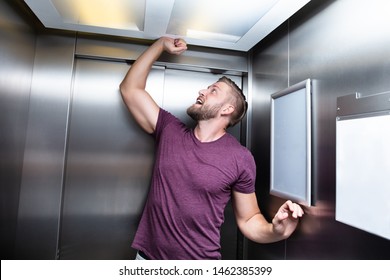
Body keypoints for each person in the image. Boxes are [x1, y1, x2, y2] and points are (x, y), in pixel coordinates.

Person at [119, 37, 304, 260]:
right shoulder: (169, 130)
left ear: (227, 108)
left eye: (213, 90)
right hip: (146, 259)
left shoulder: (240, 158)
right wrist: (160, 45)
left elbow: (248, 219)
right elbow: (130, 89)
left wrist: (276, 231)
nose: (203, 91)